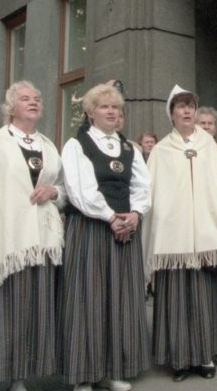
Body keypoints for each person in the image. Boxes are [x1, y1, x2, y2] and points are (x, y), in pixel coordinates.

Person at [144, 86, 217, 381]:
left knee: (205, 299)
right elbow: (154, 194)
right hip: (173, 239)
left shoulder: (209, 147)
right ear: (171, 114)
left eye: (190, 105)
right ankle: (179, 360)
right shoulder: (161, 151)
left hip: (207, 235)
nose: (187, 111)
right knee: (176, 300)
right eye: (181, 106)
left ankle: (205, 356)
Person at [0, 81, 66, 391]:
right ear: (11, 107)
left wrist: (54, 192)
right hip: (9, 241)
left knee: (33, 312)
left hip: (42, 242)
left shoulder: (48, 145)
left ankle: (21, 378)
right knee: (5, 313)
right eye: (25, 99)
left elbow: (63, 188)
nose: (33, 102)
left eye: (37, 98)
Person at [60, 83, 152, 391]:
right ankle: (84, 376)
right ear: (90, 112)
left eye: (115, 107)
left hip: (125, 230)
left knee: (119, 301)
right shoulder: (77, 145)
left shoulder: (129, 148)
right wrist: (111, 217)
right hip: (90, 230)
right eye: (104, 107)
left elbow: (142, 186)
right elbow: (80, 189)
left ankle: (112, 370)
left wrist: (135, 214)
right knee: (89, 301)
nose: (111, 112)